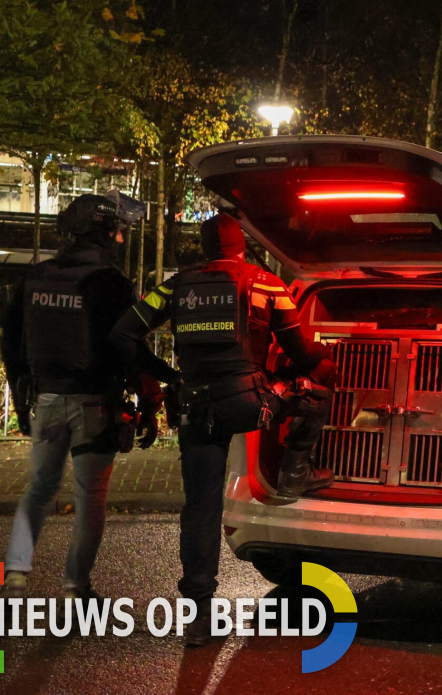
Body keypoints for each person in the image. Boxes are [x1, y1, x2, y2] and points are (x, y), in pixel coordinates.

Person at [110, 212, 335, 646]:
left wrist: (170, 376)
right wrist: (314, 357)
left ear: (205, 246)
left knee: (200, 509)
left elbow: (122, 335)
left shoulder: (176, 285)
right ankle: (294, 468)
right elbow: (303, 352)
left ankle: (199, 618)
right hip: (251, 404)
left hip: (196, 407)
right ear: (241, 245)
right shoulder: (266, 283)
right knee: (319, 379)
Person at [0, 192, 159, 601]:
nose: (120, 240)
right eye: (117, 232)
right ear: (102, 232)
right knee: (90, 500)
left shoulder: (35, 277)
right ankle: (75, 585)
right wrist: (150, 402)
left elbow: (13, 346)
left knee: (39, 488)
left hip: (47, 401)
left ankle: (16, 573)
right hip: (96, 406)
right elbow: (128, 347)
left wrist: (22, 407)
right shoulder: (111, 284)